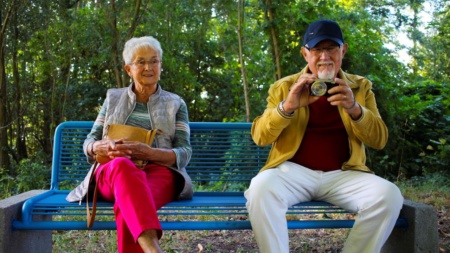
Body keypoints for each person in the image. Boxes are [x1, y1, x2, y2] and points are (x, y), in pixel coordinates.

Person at [245, 20, 403, 253]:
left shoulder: (360, 87)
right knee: (260, 188)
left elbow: (379, 140)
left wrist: (355, 109)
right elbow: (260, 137)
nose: (324, 56)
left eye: (331, 48)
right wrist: (287, 106)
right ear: (305, 53)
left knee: (389, 195)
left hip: (344, 174)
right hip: (293, 173)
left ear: (343, 51)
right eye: (317, 49)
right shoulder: (284, 86)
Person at [66, 36, 193, 253]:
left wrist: (150, 153)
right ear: (128, 69)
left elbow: (184, 152)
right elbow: (89, 140)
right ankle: (153, 250)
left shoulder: (175, 103)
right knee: (123, 167)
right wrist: (97, 147)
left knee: (130, 205)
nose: (148, 67)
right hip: (113, 171)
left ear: (161, 65)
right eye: (141, 62)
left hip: (159, 171)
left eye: (154, 61)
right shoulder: (112, 99)